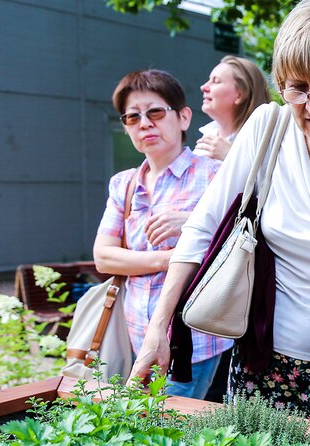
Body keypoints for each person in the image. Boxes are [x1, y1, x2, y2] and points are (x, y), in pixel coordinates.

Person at [127, 0, 310, 421]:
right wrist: (160, 329)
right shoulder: (268, 128)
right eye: (298, 87)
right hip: (260, 359)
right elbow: (201, 228)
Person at [94, 69, 232, 399]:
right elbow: (103, 256)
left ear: (183, 117)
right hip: (137, 337)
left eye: (155, 112)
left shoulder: (215, 175)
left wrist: (189, 224)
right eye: (132, 117)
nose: (144, 123)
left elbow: (235, 246)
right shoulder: (124, 184)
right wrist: (170, 258)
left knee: (168, 434)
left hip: (194, 342)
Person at [194, 55, 270, 161]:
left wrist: (230, 155)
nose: (204, 87)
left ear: (240, 94)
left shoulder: (264, 143)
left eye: (216, 81)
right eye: (209, 80)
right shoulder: (208, 134)